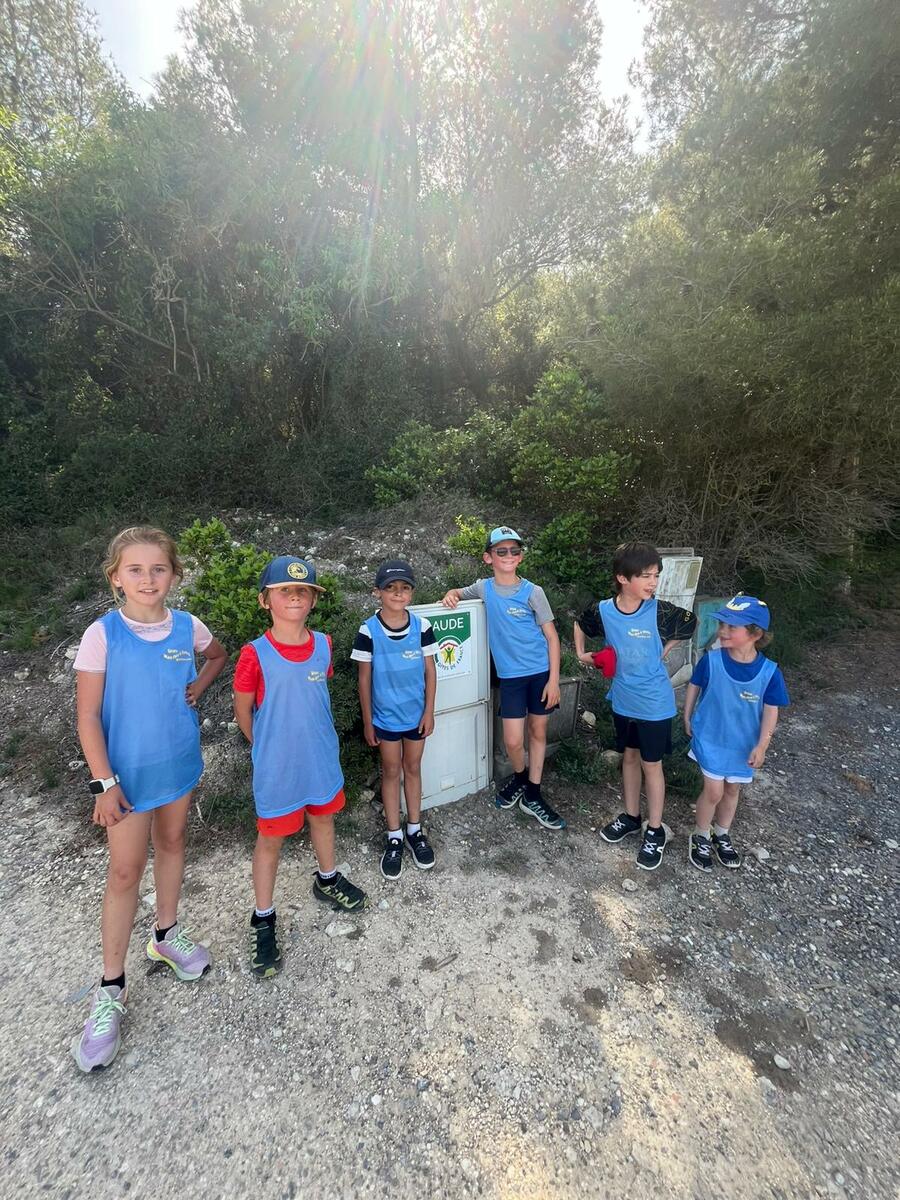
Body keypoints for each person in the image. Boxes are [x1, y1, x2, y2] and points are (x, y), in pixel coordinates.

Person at [71, 526, 228, 1072]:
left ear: (174, 575)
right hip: (125, 780)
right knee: (124, 871)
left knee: (174, 843)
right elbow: (88, 716)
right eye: (134, 569)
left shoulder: (187, 626)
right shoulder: (102, 634)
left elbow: (217, 655)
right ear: (116, 578)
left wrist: (200, 685)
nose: (147, 578)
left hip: (178, 764)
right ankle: (110, 987)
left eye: (158, 568)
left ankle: (165, 935)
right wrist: (104, 783)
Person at [233, 555, 367, 979]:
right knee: (271, 839)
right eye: (284, 590)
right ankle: (263, 918)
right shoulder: (254, 654)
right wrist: (267, 746)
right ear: (265, 600)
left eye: (303, 591)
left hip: (319, 758)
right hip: (278, 768)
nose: (295, 597)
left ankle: (327, 879)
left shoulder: (324, 644)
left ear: (313, 600)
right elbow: (243, 712)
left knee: (323, 818)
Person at [574, 541, 696, 870]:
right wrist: (582, 654)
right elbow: (581, 622)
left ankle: (654, 830)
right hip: (623, 700)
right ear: (622, 578)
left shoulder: (659, 611)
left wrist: (663, 650)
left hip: (655, 703)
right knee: (629, 757)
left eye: (656, 576)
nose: (653, 583)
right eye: (646, 576)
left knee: (651, 764)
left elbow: (690, 622)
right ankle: (630, 817)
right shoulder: (604, 610)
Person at [442, 525, 565, 830]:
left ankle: (533, 793)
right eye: (501, 551)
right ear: (489, 557)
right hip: (511, 678)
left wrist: (554, 680)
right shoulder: (483, 588)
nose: (509, 555)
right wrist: (451, 594)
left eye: (514, 550)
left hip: (540, 673)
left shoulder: (533, 592)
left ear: (520, 557)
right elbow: (458, 592)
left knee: (538, 731)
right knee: (512, 740)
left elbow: (552, 637)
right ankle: (521, 777)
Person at [683, 595, 789, 872]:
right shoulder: (712, 660)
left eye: (732, 626)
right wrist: (687, 715)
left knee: (732, 790)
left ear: (755, 634)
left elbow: (771, 712)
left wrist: (762, 745)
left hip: (742, 745)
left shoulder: (770, 673)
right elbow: (694, 685)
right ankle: (700, 834)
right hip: (711, 738)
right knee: (714, 791)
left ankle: (721, 833)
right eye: (722, 624)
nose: (723, 630)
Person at [352, 560, 438, 879]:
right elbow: (364, 679)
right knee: (390, 771)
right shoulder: (368, 630)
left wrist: (429, 711)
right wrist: (368, 721)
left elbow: (430, 671)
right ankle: (394, 836)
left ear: (411, 593)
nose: (398, 593)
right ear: (378, 592)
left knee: (412, 768)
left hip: (416, 717)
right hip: (385, 719)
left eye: (404, 588)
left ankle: (414, 830)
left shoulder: (422, 627)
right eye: (390, 588)